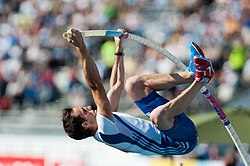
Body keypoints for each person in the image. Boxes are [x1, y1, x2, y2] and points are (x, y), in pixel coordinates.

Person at [61, 28, 214, 156]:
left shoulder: (106, 120)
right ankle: (201, 79)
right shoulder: (105, 130)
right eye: (83, 111)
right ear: (86, 124)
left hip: (168, 127)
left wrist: (118, 49)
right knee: (157, 116)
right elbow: (96, 85)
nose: (88, 107)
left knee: (132, 84)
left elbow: (116, 85)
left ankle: (191, 74)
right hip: (181, 142)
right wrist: (81, 48)